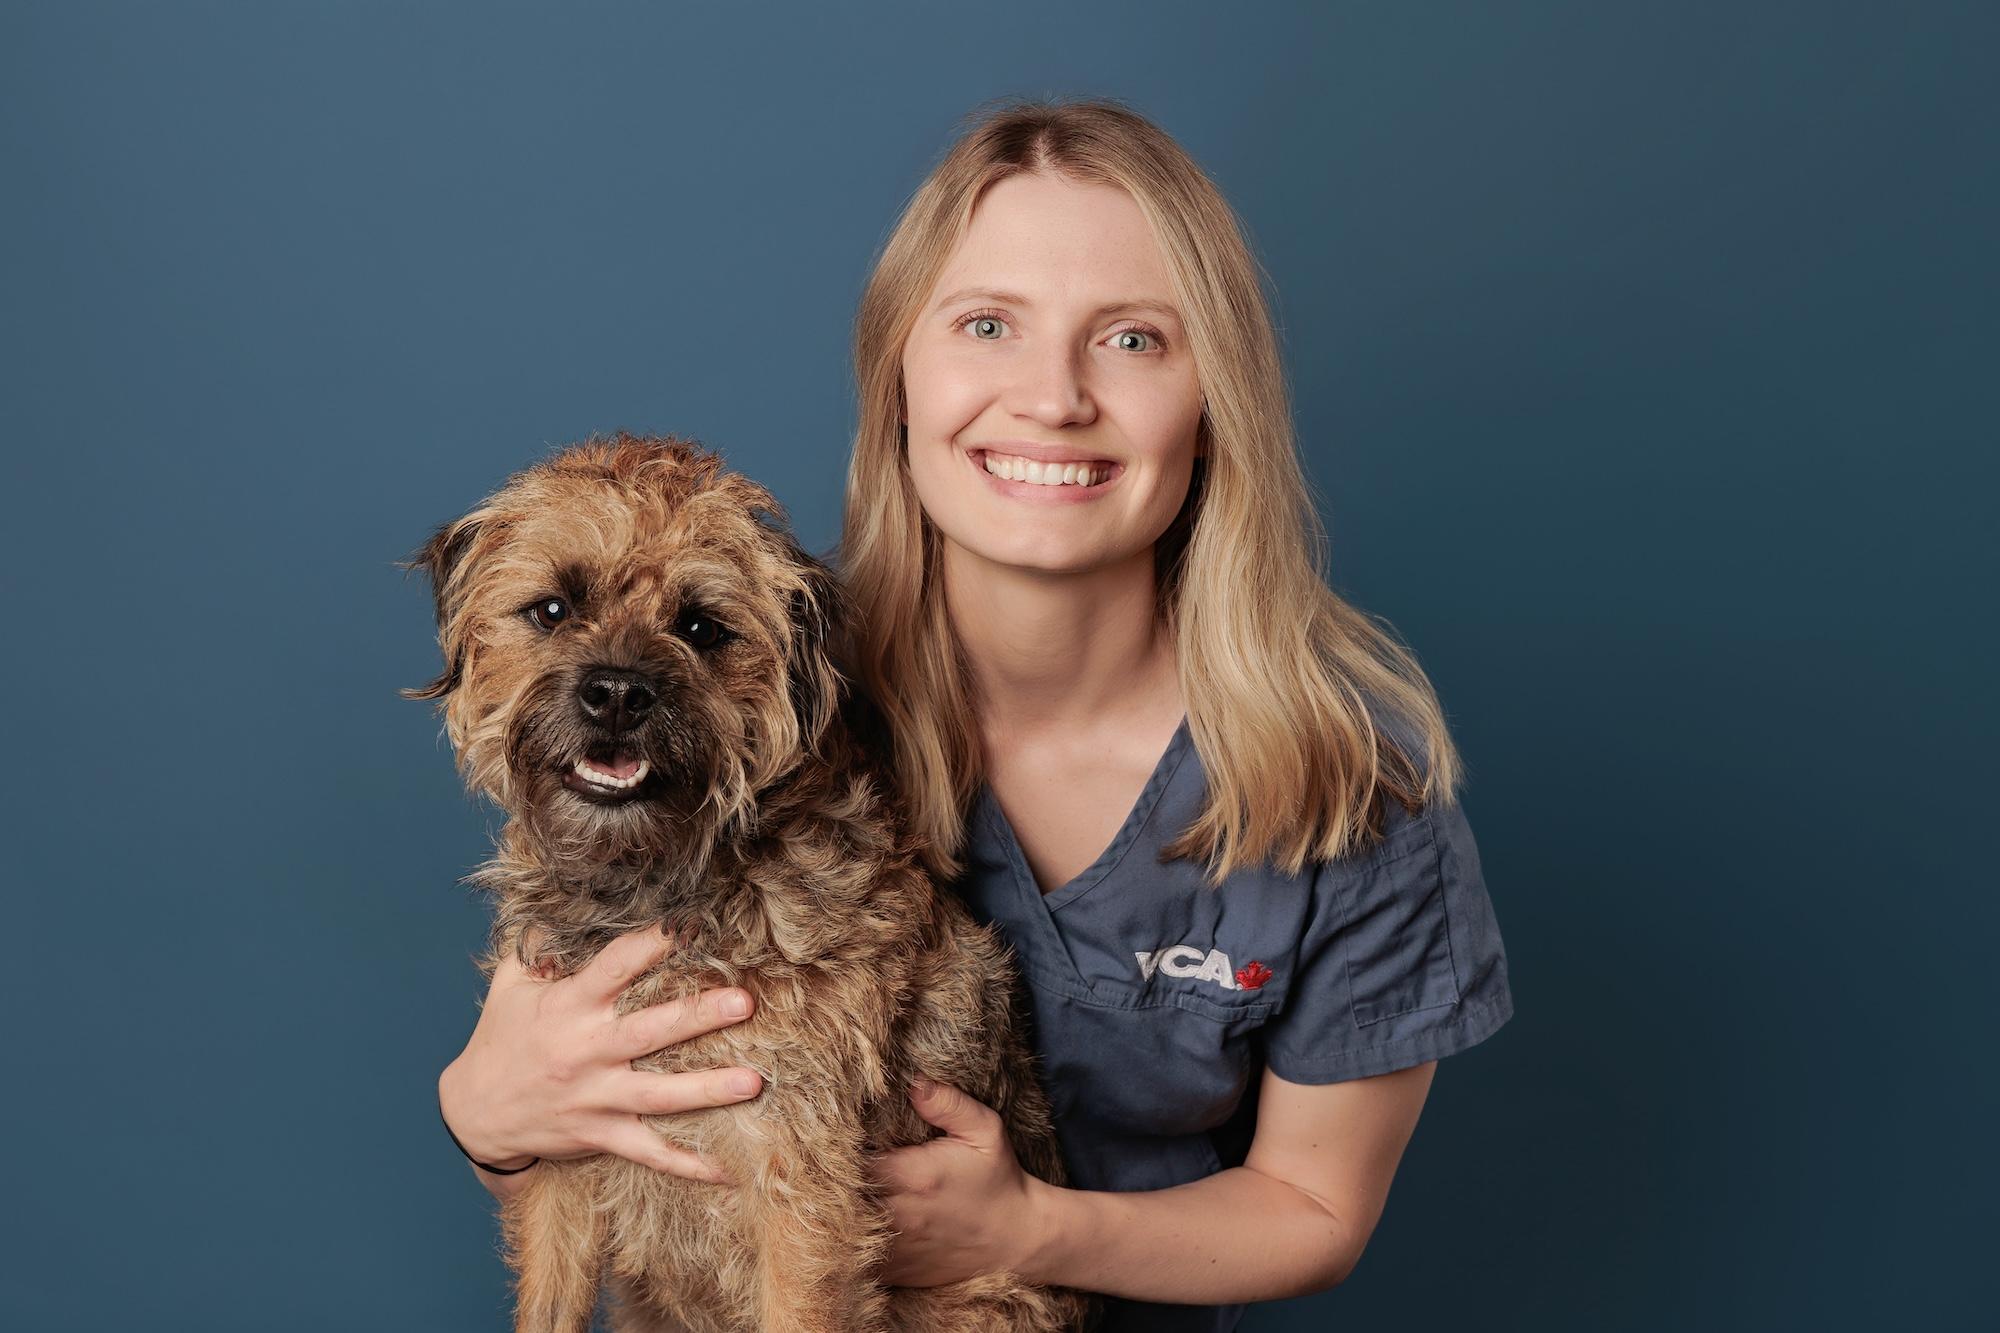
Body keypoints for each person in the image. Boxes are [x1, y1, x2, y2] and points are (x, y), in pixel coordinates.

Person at [437, 98, 1516, 1332]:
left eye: (1131, 339)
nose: (1051, 397)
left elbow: (1315, 1214)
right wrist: (486, 1113)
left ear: (1214, 399)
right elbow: (599, 1123)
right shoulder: (758, 692)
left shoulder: (1346, 796)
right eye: (988, 324)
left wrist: (1034, 1228)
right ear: (899, 368)